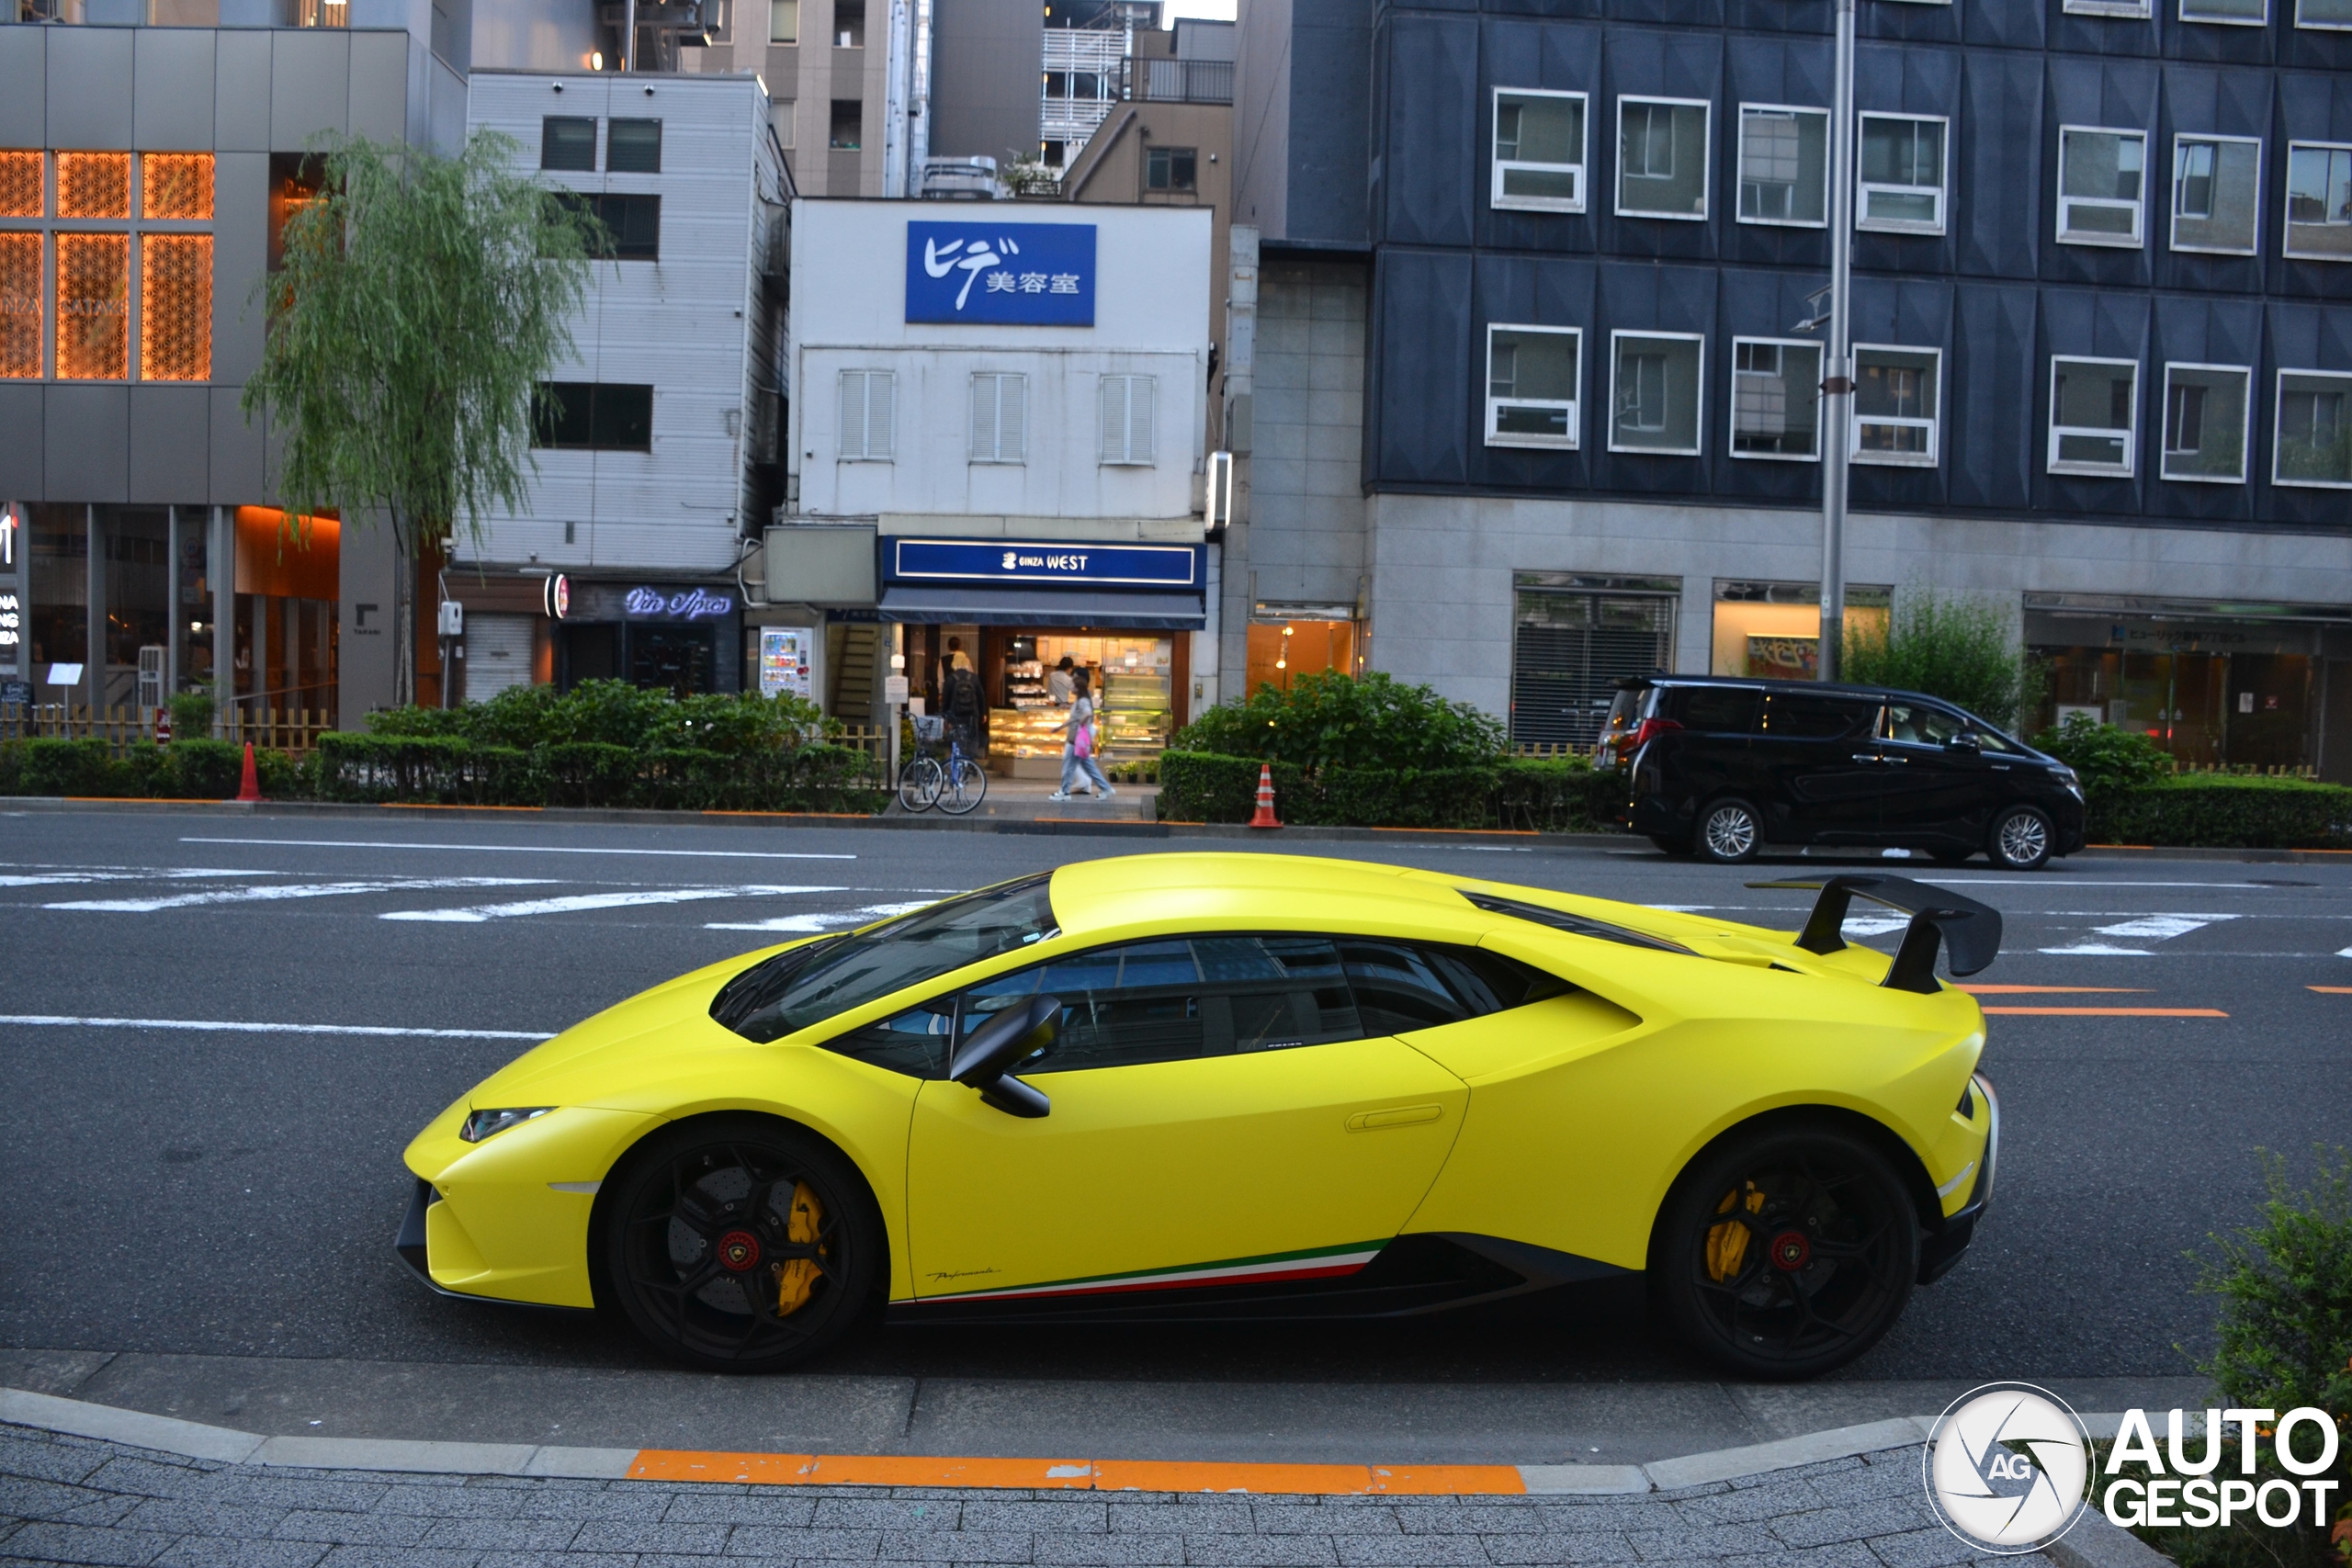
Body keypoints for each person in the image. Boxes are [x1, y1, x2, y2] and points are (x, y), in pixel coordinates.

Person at [1049, 670, 1114, 802]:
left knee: (1069, 766)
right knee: (1087, 766)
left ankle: (1064, 792)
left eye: (1072, 685)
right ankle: (1106, 788)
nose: (1070, 687)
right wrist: (1060, 727)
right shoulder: (1080, 700)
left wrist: (1081, 723)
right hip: (1078, 740)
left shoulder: (1083, 700)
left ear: (1078, 688)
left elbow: (1088, 713)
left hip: (1076, 739)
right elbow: (1075, 717)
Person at [941, 649, 983, 757]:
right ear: (966, 662)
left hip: (955, 715)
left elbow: (945, 700)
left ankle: (956, 762)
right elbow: (981, 697)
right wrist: (983, 714)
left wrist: (945, 716)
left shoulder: (950, 679)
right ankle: (970, 764)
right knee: (971, 740)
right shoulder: (974, 678)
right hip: (971, 716)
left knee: (956, 740)